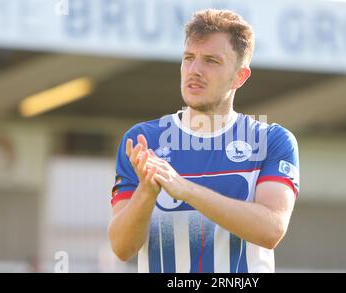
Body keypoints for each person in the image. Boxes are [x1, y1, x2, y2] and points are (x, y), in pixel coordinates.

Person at [108, 9, 299, 273]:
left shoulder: (271, 140)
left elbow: (271, 230)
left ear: (239, 77)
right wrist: (146, 193)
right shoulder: (144, 140)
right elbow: (121, 247)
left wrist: (184, 189)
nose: (195, 70)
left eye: (211, 60)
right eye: (189, 58)